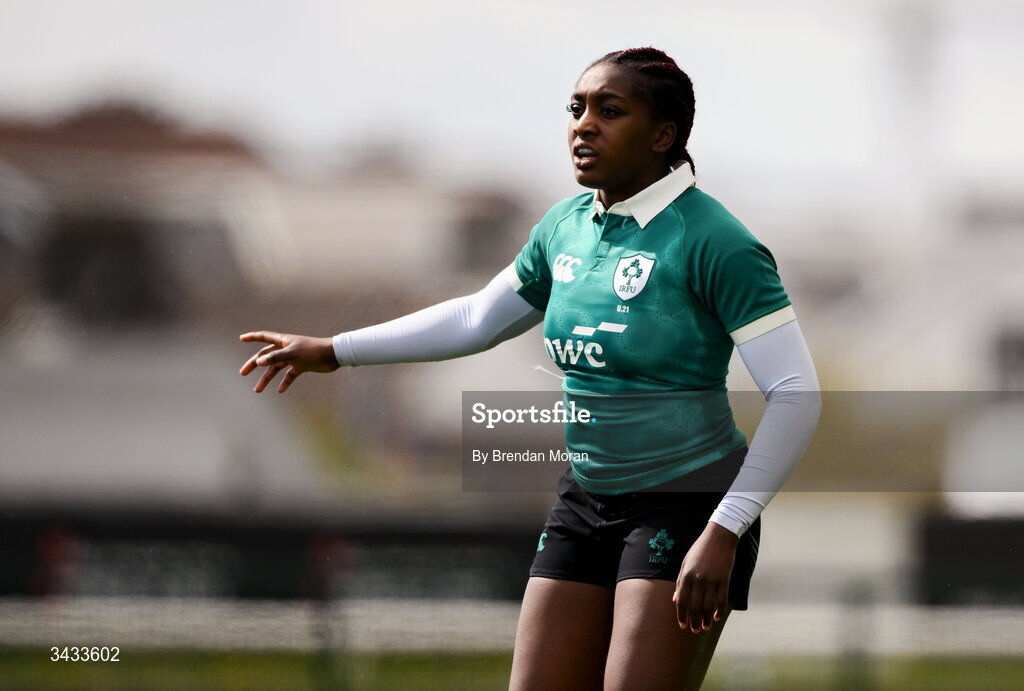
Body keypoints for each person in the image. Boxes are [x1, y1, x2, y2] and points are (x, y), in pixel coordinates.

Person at [239, 47, 820, 691]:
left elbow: (797, 396)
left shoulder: (717, 242)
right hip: (585, 498)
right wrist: (333, 349)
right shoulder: (564, 228)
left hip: (689, 508)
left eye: (609, 110)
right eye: (576, 109)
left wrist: (725, 531)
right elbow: (476, 319)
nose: (583, 125)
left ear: (664, 134)